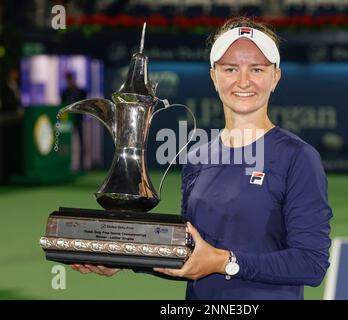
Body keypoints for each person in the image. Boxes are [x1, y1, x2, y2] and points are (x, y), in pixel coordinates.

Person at [71, 16, 333, 300]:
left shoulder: (299, 158)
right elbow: (189, 254)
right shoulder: (197, 157)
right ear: (214, 77)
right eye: (230, 69)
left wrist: (225, 261)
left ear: (275, 78)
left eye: (257, 69)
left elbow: (311, 263)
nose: (243, 81)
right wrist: (124, 259)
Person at [61, 71, 87, 171]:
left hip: (78, 120)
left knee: (81, 141)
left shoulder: (81, 91)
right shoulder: (65, 92)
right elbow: (63, 105)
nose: (69, 81)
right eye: (68, 80)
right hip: (68, 121)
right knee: (68, 142)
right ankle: (68, 164)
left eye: (70, 79)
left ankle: (81, 165)